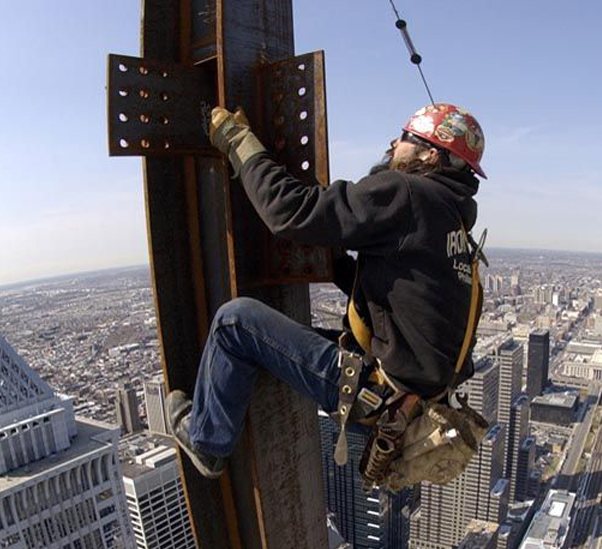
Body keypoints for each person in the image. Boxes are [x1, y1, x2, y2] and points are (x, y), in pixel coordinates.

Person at [168, 103, 486, 478]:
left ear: (430, 154)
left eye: (404, 137)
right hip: (410, 402)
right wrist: (335, 261)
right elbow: (397, 298)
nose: (393, 143)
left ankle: (207, 442)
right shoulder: (457, 230)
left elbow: (287, 210)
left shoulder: (407, 193)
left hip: (379, 395)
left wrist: (239, 142)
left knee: (235, 323)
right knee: (274, 340)